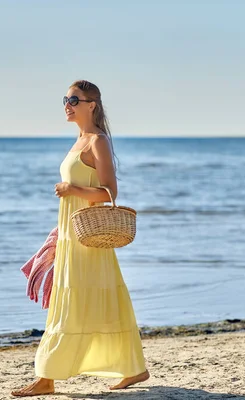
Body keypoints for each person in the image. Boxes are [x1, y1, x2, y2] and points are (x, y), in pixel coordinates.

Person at [11, 80, 149, 397]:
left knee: (72, 303)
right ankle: (134, 368)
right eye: (66, 98)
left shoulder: (97, 141)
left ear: (92, 105)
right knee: (91, 300)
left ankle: (47, 378)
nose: (68, 104)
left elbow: (110, 191)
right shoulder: (79, 141)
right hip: (72, 236)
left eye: (75, 99)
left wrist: (72, 190)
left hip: (88, 240)